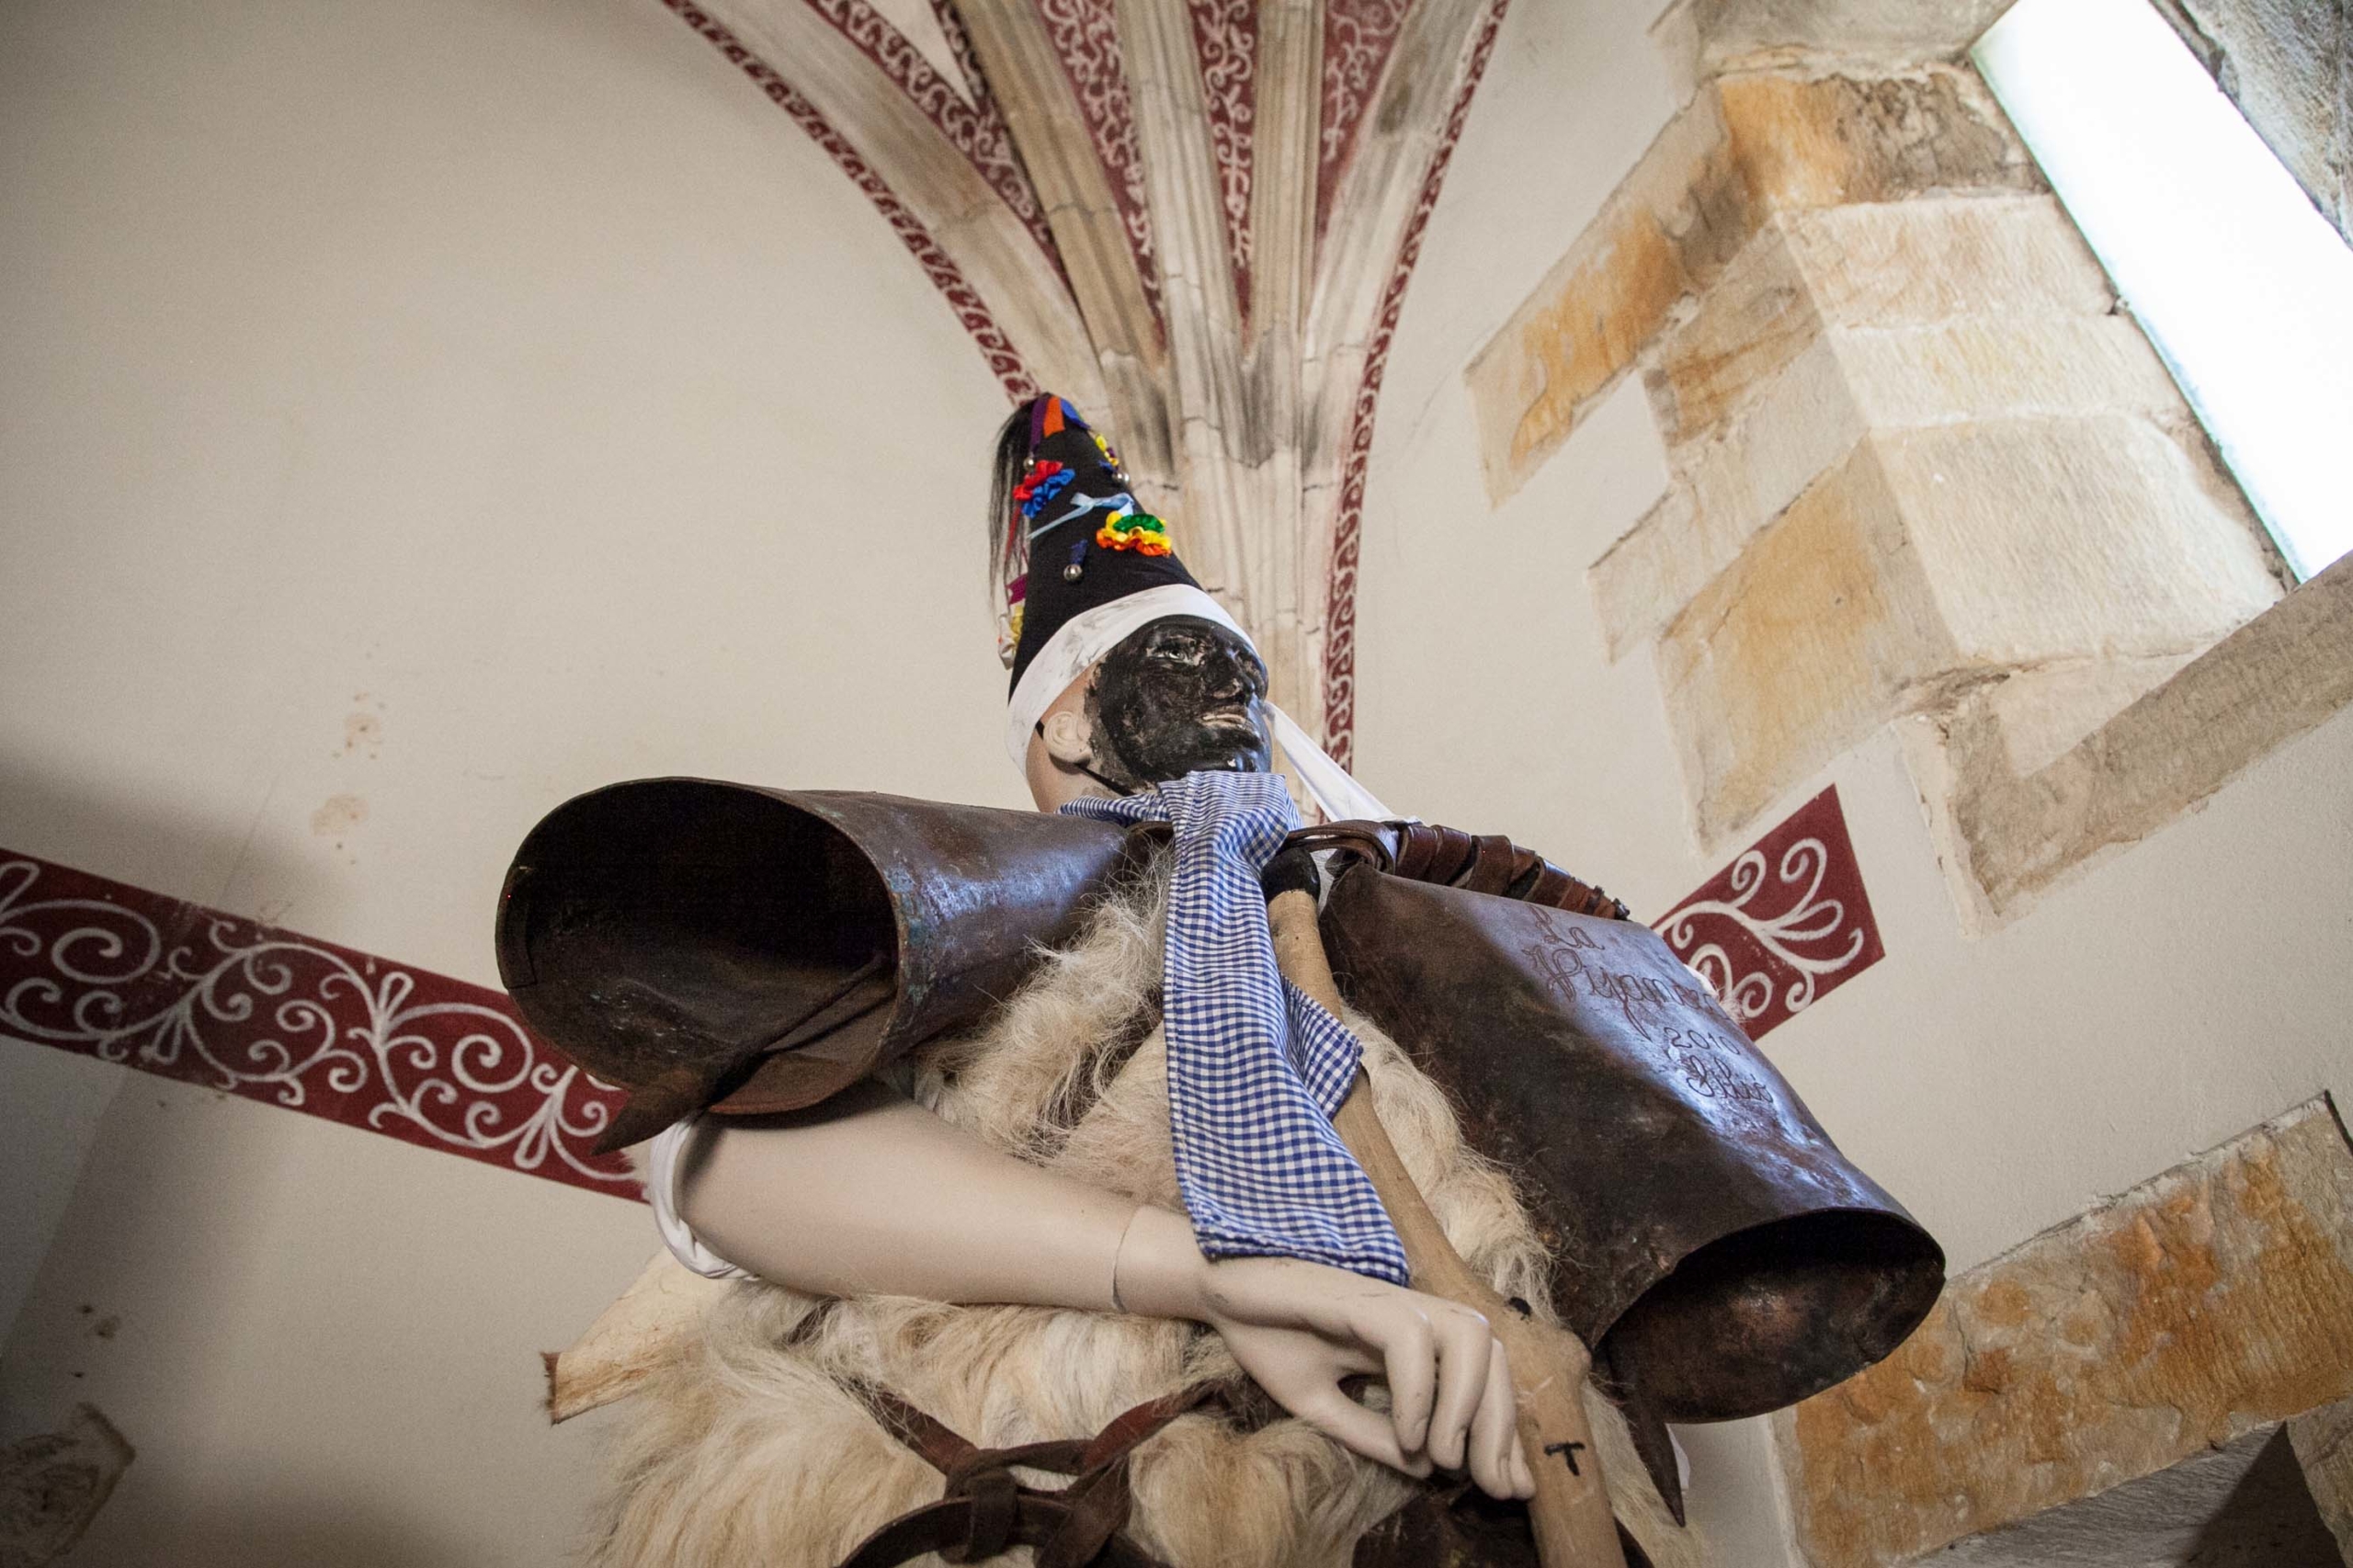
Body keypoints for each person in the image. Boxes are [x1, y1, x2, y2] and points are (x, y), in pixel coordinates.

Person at [592, 396, 1663, 1568]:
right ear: (1062, 726)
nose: (1228, 697)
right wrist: (1205, 1273)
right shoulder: (959, 915)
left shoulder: (1385, 922)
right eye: (1180, 662)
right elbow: (724, 1160)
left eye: (1242, 675)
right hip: (992, 1473)